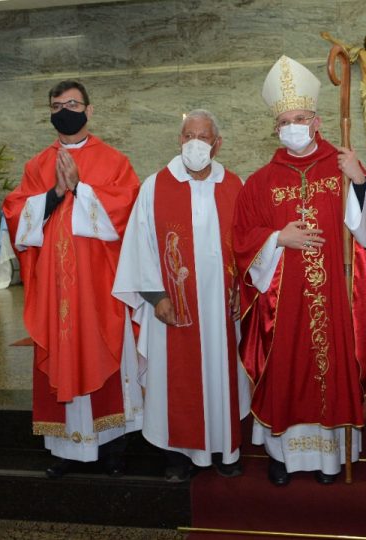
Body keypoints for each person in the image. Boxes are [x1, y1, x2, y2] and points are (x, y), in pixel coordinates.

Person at [233, 55, 366, 486]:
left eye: (300, 117)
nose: (293, 125)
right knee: (285, 370)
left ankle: (330, 459)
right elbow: (241, 237)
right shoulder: (260, 182)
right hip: (282, 304)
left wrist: (358, 182)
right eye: (285, 120)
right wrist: (277, 238)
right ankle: (281, 455)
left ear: (317, 121)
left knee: (329, 368)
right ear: (276, 128)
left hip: (334, 296)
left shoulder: (341, 166)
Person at [2, 80, 143, 479]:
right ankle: (66, 451)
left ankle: (115, 447)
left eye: (73, 103)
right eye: (57, 104)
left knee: (105, 356)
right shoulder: (37, 165)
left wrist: (81, 187)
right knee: (61, 358)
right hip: (55, 290)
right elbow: (15, 213)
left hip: (99, 287)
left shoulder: (114, 161)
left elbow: (127, 209)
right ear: (50, 112)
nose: (65, 110)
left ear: (89, 110)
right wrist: (52, 194)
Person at [113, 109, 250, 483]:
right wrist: (156, 296)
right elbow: (138, 247)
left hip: (223, 308)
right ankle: (179, 456)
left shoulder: (235, 186)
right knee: (175, 380)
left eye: (203, 137)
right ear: (178, 140)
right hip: (174, 308)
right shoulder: (155, 187)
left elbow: (248, 245)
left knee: (222, 376)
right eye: (188, 135)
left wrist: (243, 289)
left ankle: (226, 450)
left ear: (217, 144)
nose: (195, 143)